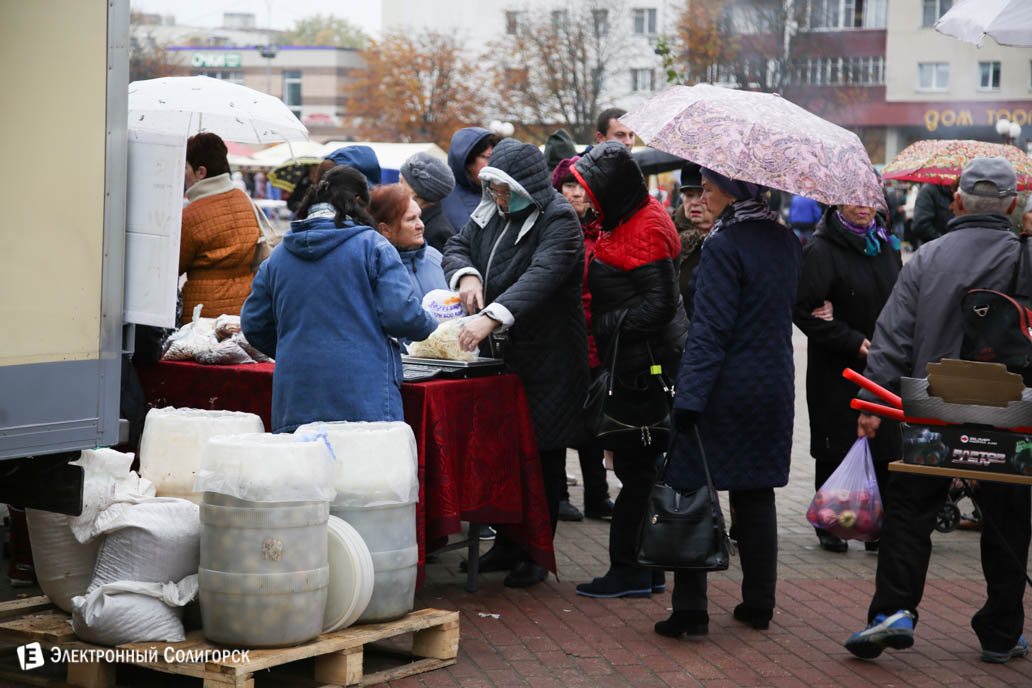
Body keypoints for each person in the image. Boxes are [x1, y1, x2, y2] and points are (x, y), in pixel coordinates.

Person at [844, 157, 1030, 664]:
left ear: (956, 201)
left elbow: (892, 334)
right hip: (1011, 410)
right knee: (1009, 516)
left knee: (910, 509)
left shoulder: (926, 257)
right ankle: (1001, 630)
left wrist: (877, 402)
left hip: (931, 403)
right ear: (1013, 205)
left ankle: (892, 611)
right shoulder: (1025, 258)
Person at [656, 167, 801, 637]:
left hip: (723, 388)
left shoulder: (724, 245)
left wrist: (689, 400)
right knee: (756, 491)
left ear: (733, 190)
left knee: (690, 486)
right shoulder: (785, 241)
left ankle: (690, 611)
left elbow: (710, 333)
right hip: (773, 385)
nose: (705, 195)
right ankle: (759, 603)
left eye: (712, 186)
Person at [442, 137, 589, 588]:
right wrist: (466, 275)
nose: (498, 197)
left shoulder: (559, 220)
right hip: (500, 361)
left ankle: (536, 553)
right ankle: (506, 543)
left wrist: (491, 317)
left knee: (543, 457)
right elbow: (456, 246)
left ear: (525, 185)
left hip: (549, 360)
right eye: (493, 188)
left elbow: (540, 277)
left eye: (504, 189)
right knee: (502, 454)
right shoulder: (491, 214)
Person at [568, 142, 690, 599]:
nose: (587, 198)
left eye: (591, 188)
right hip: (633, 360)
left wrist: (603, 325)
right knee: (638, 468)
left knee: (637, 470)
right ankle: (646, 567)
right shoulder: (622, 220)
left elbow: (658, 304)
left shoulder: (647, 225)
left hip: (642, 366)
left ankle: (631, 570)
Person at [241, 166, 437, 433]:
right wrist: (433, 324)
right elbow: (402, 315)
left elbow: (253, 323)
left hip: (296, 395)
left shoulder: (278, 257)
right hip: (364, 394)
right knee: (362, 473)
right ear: (357, 203)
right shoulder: (374, 246)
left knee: (304, 472)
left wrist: (296, 348)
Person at [793, 203, 902, 553]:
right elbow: (800, 308)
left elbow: (900, 299)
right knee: (835, 443)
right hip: (837, 367)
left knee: (884, 443)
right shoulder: (821, 249)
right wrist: (850, 340)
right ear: (838, 201)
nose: (864, 207)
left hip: (883, 361)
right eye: (854, 198)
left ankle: (876, 524)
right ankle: (833, 522)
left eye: (871, 198)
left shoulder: (885, 244)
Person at [550, 157, 614, 523]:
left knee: (594, 427)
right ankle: (558, 495)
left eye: (581, 187)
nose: (575, 193)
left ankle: (597, 496)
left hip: (596, 342)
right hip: (562, 342)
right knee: (559, 423)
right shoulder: (556, 230)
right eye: (568, 186)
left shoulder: (602, 232)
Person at [179, 132, 262, 323]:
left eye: (186, 168)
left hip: (204, 313)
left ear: (201, 172)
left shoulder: (192, 215)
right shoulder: (245, 201)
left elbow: (175, 266)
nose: (184, 174)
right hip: (246, 306)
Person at [369, 183, 447, 302]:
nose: (420, 225)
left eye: (419, 217)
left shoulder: (436, 257)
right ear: (385, 229)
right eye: (411, 219)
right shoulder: (375, 271)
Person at [671, 163, 715, 316]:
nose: (695, 202)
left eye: (702, 193)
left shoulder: (728, 237)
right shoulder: (669, 234)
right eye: (689, 195)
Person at [440, 127, 501, 230]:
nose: (492, 163)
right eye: (487, 157)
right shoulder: (443, 197)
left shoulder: (499, 192)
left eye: (494, 157)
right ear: (467, 160)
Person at [399, 152, 456, 253]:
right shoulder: (424, 222)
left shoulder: (438, 232)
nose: (397, 187)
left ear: (417, 191)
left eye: (401, 182)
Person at [910, 182, 953, 247]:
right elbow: (920, 226)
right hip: (935, 250)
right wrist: (944, 241)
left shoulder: (960, 190)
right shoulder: (928, 191)